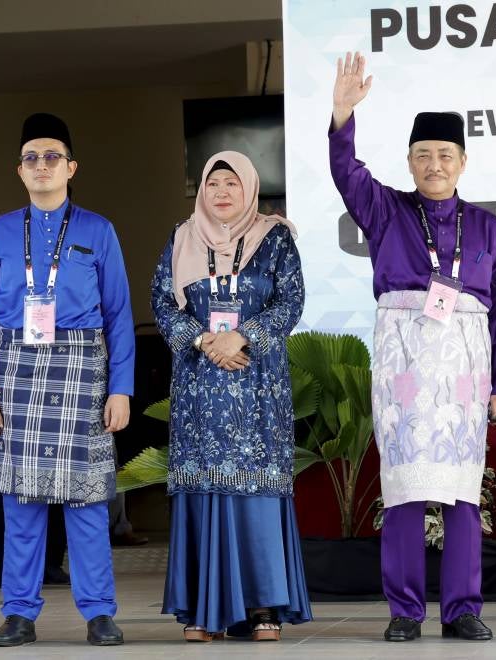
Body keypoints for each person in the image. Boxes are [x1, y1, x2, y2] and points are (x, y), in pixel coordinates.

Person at [329, 52, 496, 642]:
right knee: (406, 488)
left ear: (463, 161)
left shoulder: (487, 226)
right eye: (422, 155)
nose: (434, 165)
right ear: (409, 162)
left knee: (462, 491)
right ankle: (405, 611)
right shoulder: (385, 210)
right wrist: (342, 115)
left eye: (444, 154)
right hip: (404, 363)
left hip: (465, 367)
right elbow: (346, 171)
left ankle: (462, 608)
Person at [0, 112, 134, 647]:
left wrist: (121, 388)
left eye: (51, 157)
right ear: (19, 170)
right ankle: (19, 612)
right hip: (15, 368)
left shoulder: (98, 229)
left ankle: (99, 611)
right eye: (31, 158)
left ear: (71, 167)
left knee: (87, 501)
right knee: (20, 502)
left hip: (83, 369)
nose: (41, 165)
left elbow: (119, 314)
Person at [152, 152, 312, 642]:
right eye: (213, 183)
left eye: (232, 183)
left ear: (250, 188)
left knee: (256, 494)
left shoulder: (276, 238)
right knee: (204, 492)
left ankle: (263, 606)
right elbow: (162, 303)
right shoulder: (181, 238)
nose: (222, 192)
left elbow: (291, 301)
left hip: (258, 388)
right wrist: (204, 340)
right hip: (200, 389)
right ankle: (204, 609)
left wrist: (242, 336)